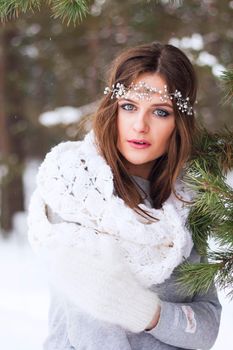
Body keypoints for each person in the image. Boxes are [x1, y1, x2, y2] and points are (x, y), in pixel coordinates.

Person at [27, 42, 222, 350]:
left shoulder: (186, 203)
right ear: (113, 108)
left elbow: (207, 326)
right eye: (129, 106)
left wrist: (151, 314)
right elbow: (93, 333)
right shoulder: (77, 190)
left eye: (160, 112)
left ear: (178, 123)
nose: (140, 126)